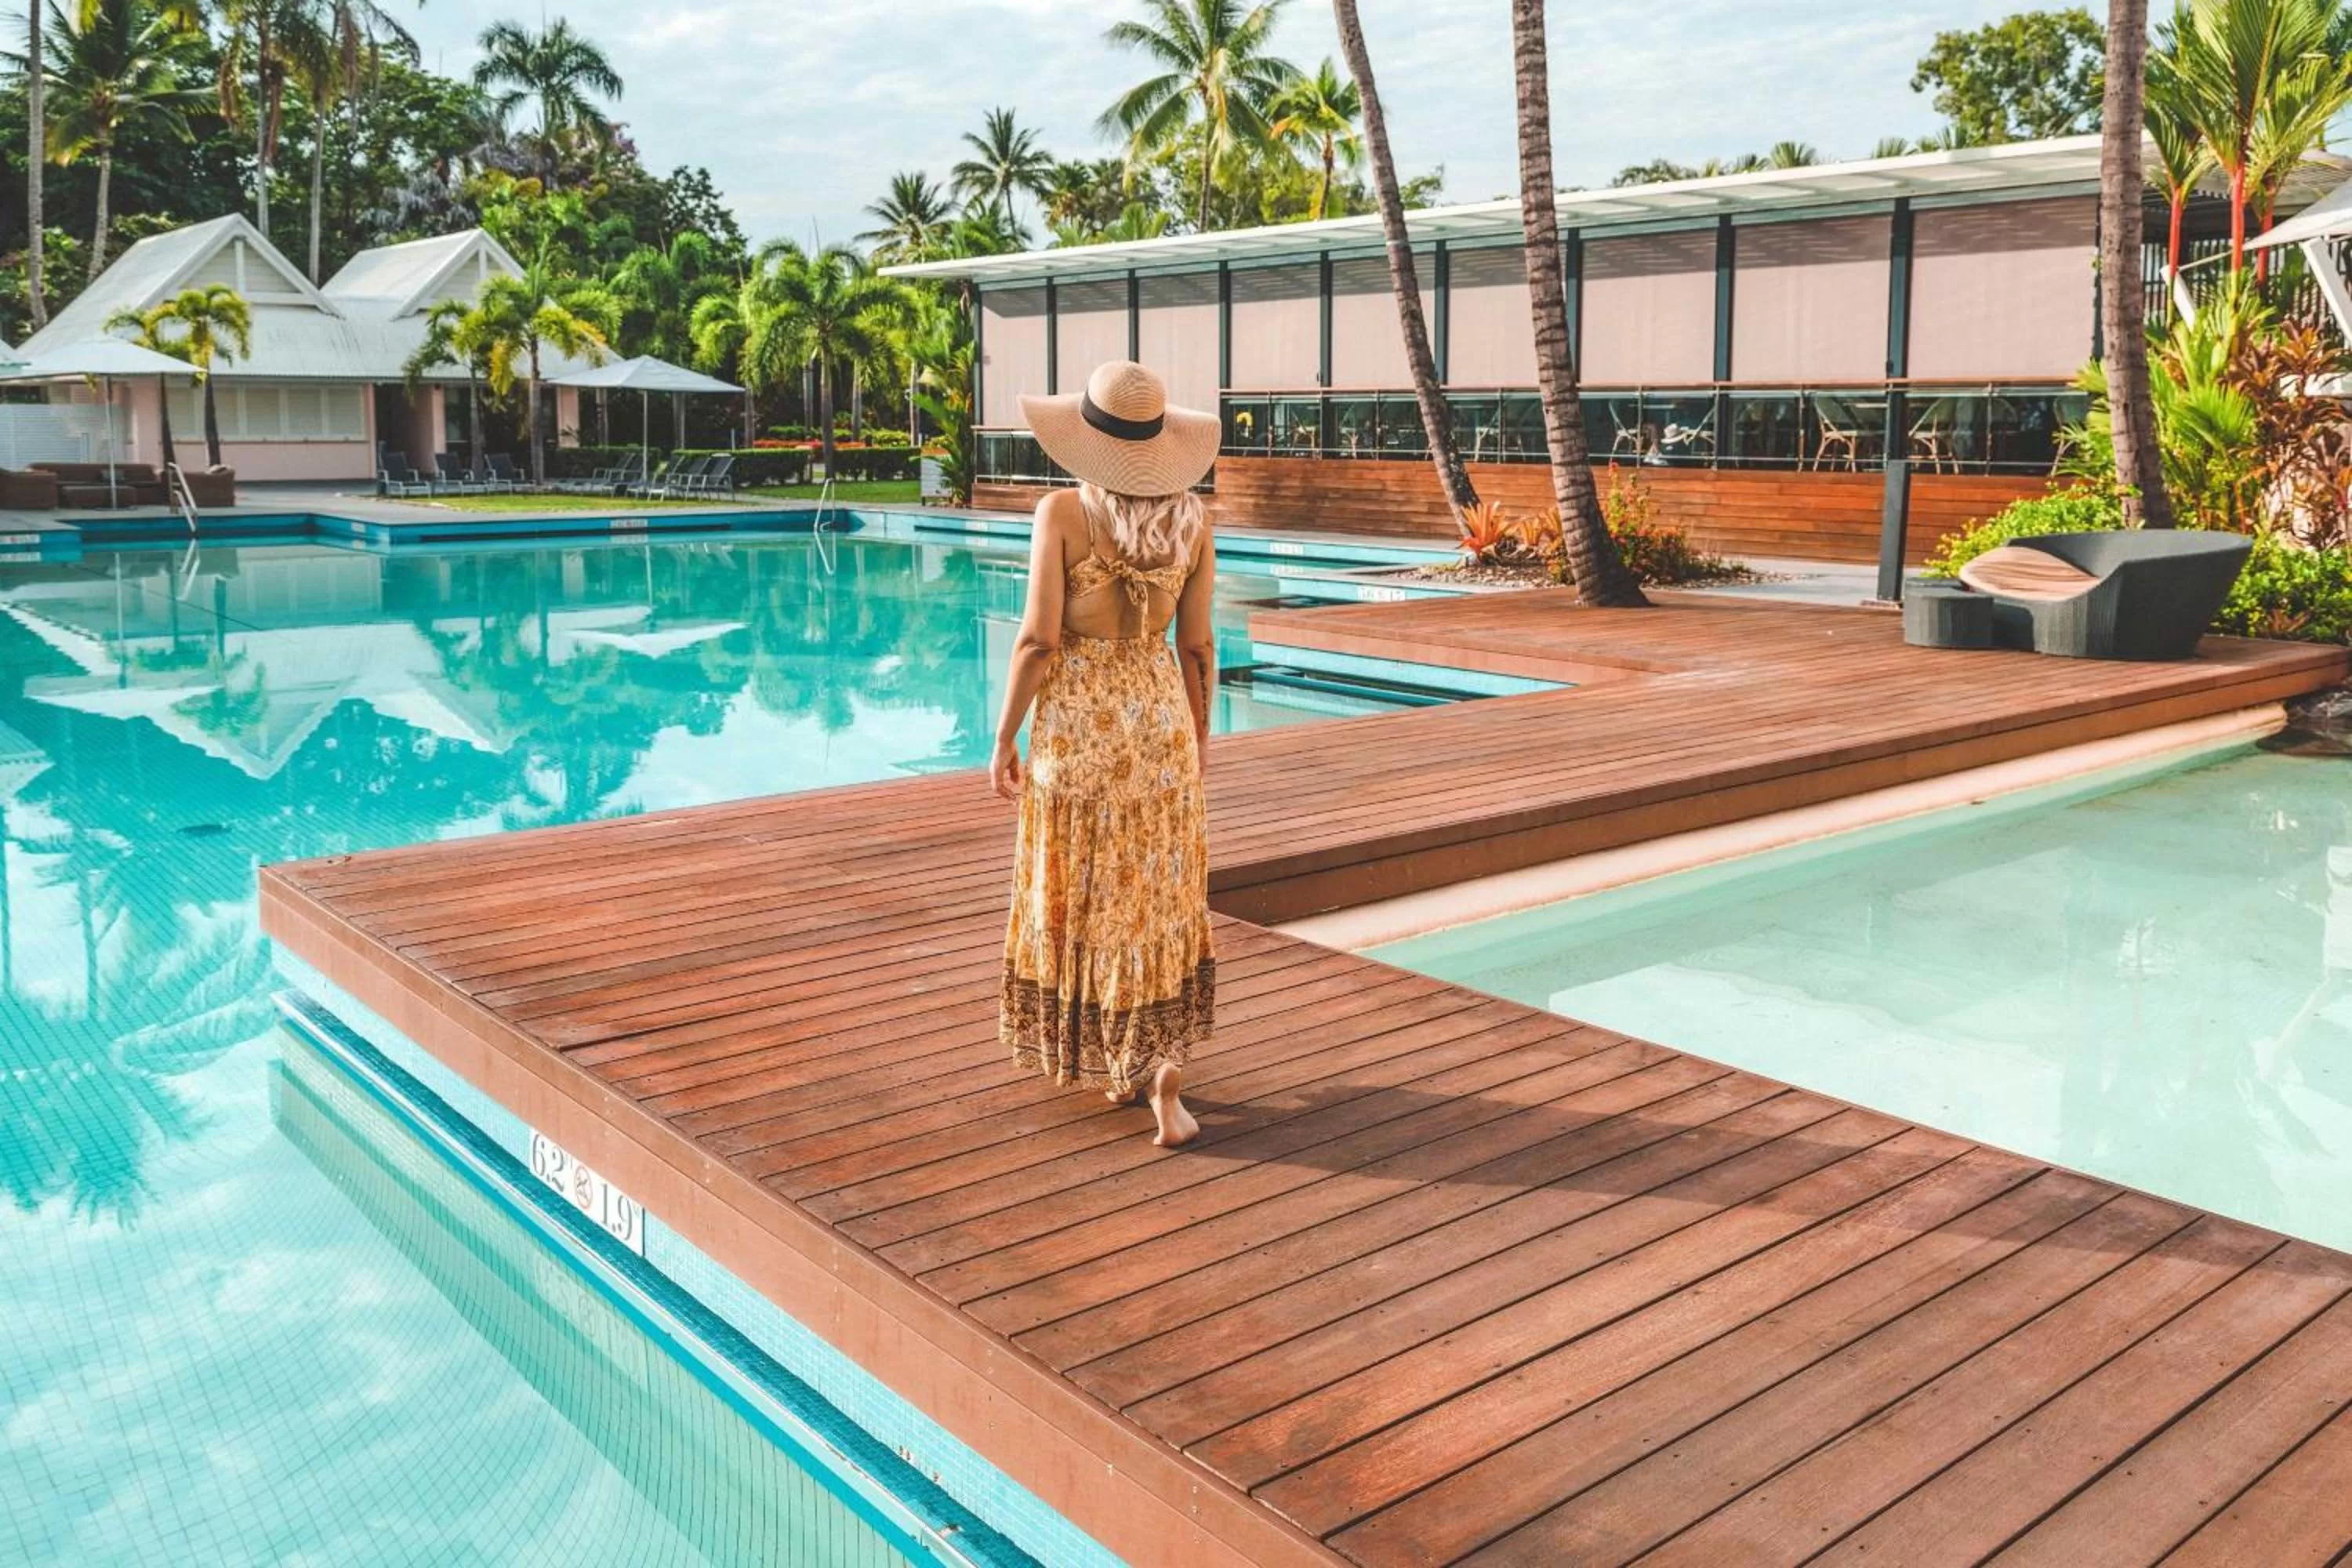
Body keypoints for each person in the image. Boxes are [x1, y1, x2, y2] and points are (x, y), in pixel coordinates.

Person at [992, 361, 1220, 1148]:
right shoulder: (1191, 522)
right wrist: (1198, 737)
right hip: (1160, 728)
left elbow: (1037, 641)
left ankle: (1134, 1060)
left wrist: (1002, 736)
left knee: (1089, 891)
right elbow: (1197, 646)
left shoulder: (1061, 513)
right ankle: (1148, 1063)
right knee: (1149, 894)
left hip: (1081, 738)